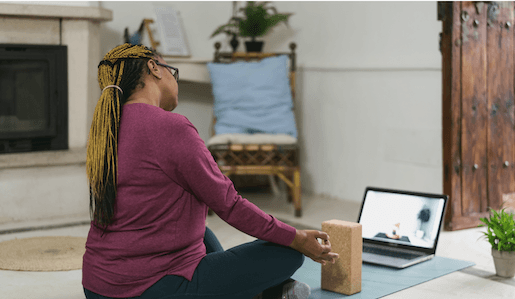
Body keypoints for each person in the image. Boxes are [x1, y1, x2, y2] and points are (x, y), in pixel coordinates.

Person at [82, 43, 338, 299]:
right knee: (287, 253)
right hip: (153, 289)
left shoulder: (105, 129)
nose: (175, 79)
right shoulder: (172, 127)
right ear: (154, 68)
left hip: (96, 287)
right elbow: (230, 204)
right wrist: (296, 237)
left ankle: (261, 293)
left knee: (201, 231)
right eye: (172, 70)